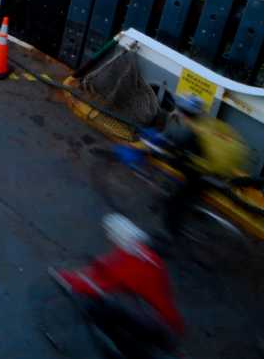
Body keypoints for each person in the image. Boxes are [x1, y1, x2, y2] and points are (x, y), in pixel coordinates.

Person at [53, 214, 184, 359]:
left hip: (153, 324)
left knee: (102, 315)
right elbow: (112, 268)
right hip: (169, 323)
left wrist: (65, 278)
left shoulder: (128, 261)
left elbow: (100, 285)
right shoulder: (151, 260)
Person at [161, 95, 251, 239]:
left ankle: (170, 234)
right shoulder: (210, 123)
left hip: (210, 174)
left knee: (177, 201)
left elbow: (178, 153)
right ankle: (195, 209)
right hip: (226, 170)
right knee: (191, 181)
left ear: (184, 114)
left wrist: (169, 152)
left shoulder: (191, 134)